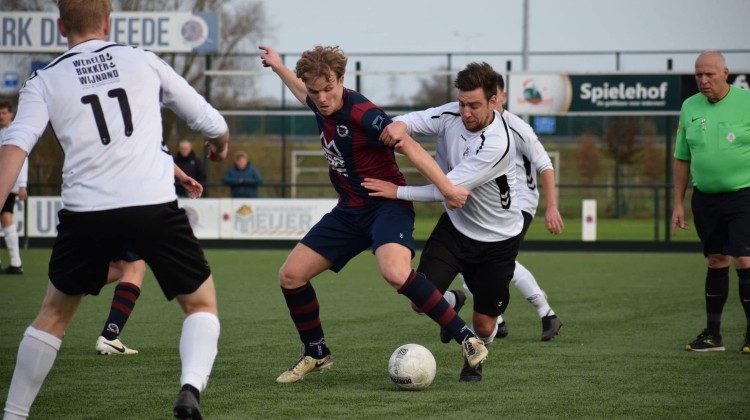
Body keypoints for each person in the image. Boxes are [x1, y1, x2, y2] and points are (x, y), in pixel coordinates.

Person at [0, 2, 229, 419]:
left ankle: (14, 415)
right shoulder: (141, 59)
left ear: (59, 26)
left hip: (86, 210)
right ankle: (191, 387)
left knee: (52, 316)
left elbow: (16, 144)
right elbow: (208, 120)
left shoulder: (44, 80)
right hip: (152, 204)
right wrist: (221, 143)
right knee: (200, 305)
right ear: (108, 23)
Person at [259, 44, 488, 384]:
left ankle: (467, 338)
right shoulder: (319, 100)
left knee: (395, 273)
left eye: (328, 89)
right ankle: (316, 353)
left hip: (386, 206)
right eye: (314, 91)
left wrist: (447, 188)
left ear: (341, 80)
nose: (321, 98)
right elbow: (300, 90)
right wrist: (278, 66)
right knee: (290, 276)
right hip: (349, 211)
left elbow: (409, 145)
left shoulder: (363, 113)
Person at [364, 62, 524, 381]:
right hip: (456, 228)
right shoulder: (451, 114)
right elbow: (413, 121)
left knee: (484, 325)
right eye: (462, 103)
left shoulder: (498, 144)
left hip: (497, 241)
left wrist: (397, 192)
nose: (465, 112)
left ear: (494, 101)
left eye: (474, 105)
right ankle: (452, 300)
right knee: (419, 301)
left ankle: (473, 361)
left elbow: (446, 188)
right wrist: (397, 125)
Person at [454, 73, 564, 342]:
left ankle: (544, 312)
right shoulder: (477, 128)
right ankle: (504, 319)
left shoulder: (516, 127)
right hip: (493, 207)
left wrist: (552, 207)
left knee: (497, 261)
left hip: (520, 205)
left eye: (499, 96)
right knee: (477, 262)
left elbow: (545, 165)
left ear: (498, 97)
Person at [673, 50, 750, 355]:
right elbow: (682, 157)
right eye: (698, 75)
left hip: (744, 195)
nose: (703, 81)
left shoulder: (746, 102)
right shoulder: (689, 106)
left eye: (709, 74)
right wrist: (678, 203)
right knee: (716, 260)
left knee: (745, 260)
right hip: (705, 198)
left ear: (725, 73)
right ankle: (713, 336)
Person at [96, 167, 204, 356]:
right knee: (135, 268)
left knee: (117, 267)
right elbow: (155, 149)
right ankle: (109, 336)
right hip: (127, 202)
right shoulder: (140, 139)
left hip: (98, 199)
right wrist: (182, 176)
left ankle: (63, 306)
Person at [0, 100, 26, 275]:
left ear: (11, 114)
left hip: (9, 182)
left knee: (6, 216)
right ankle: (15, 263)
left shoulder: (15, 133)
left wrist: (22, 184)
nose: (2, 116)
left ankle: (16, 262)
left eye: (4, 113)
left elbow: (23, 159)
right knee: (5, 217)